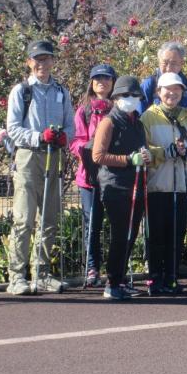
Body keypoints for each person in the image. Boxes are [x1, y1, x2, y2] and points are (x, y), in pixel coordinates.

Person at [5, 40, 75, 295]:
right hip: (28, 157)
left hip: (53, 156)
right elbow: (13, 129)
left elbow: (71, 126)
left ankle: (42, 273)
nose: (42, 64)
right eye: (37, 59)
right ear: (29, 62)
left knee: (49, 218)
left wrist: (63, 137)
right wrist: (38, 136)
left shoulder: (61, 91)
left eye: (46, 59)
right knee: (24, 219)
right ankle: (17, 277)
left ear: (53, 61)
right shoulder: (21, 91)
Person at [141, 72, 187, 294]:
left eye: (177, 89)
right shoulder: (148, 117)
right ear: (158, 92)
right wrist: (165, 152)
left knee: (175, 234)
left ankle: (171, 277)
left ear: (182, 92)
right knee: (156, 235)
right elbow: (143, 149)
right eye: (167, 89)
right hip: (157, 186)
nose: (172, 93)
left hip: (181, 186)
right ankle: (154, 277)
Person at [92, 76, 150, 300]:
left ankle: (121, 279)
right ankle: (112, 282)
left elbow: (141, 150)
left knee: (131, 234)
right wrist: (128, 159)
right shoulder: (109, 122)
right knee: (120, 235)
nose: (131, 99)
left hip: (135, 185)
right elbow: (98, 155)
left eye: (135, 96)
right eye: (126, 95)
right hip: (114, 186)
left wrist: (145, 156)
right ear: (115, 98)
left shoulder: (138, 122)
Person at [69, 63, 116, 287]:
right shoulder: (83, 110)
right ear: (91, 82)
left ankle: (116, 270)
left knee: (117, 224)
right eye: (97, 78)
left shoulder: (119, 109)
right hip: (88, 176)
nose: (102, 82)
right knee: (92, 224)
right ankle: (92, 268)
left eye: (106, 78)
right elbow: (75, 140)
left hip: (115, 175)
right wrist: (88, 148)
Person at [140, 41, 187, 111]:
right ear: (159, 62)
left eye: (173, 63)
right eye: (165, 63)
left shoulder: (186, 85)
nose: (168, 68)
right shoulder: (149, 84)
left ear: (182, 63)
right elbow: (140, 116)